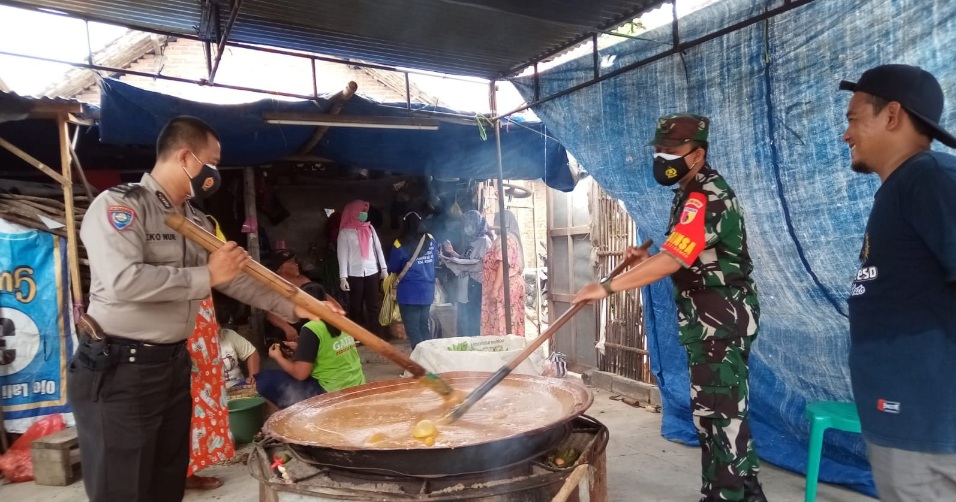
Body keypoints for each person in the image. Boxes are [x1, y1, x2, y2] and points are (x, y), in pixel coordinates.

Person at [69, 116, 331, 502]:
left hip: (172, 365)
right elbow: (124, 280)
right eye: (212, 161)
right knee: (124, 487)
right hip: (121, 368)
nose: (215, 172)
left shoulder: (196, 220)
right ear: (185, 157)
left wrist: (297, 305)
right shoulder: (122, 206)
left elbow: (233, 279)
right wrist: (206, 275)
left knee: (166, 481)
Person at [573, 114, 765, 502]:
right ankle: (745, 491)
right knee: (725, 410)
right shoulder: (688, 192)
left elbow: (674, 259)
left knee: (717, 414)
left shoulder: (705, 196)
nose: (663, 157)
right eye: (660, 150)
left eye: (672, 150)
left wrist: (606, 287)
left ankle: (725, 495)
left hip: (719, 319)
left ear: (698, 154)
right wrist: (646, 258)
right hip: (711, 318)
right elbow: (687, 254)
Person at [840, 64, 956, 502]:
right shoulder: (905, 186)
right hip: (909, 423)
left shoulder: (931, 178)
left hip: (929, 429)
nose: (846, 134)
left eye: (854, 119)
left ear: (891, 115)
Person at [256, 319, 366, 409]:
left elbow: (300, 374)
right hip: (357, 384)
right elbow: (329, 350)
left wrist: (278, 357)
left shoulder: (311, 328)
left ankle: (288, 418)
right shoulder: (339, 318)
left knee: (264, 380)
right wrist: (302, 348)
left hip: (331, 391)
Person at [387, 212, 440, 350]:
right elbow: (435, 259)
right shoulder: (430, 239)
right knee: (423, 326)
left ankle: (420, 359)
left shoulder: (399, 243)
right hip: (427, 291)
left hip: (409, 293)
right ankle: (430, 356)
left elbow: (393, 267)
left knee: (413, 329)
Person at [337, 199, 388, 336]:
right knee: (356, 306)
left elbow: (378, 249)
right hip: (354, 273)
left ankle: (376, 335)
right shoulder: (345, 233)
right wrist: (343, 277)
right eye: (361, 211)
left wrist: (384, 269)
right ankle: (357, 335)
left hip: (372, 271)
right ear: (353, 212)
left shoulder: (370, 228)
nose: (364, 214)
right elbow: (342, 256)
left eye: (365, 211)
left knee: (373, 305)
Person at [440, 210, 494, 336]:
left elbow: (482, 265)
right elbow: (465, 259)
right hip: (465, 285)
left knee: (473, 318)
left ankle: (473, 343)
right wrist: (452, 253)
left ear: (477, 224)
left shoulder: (484, 241)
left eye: (469, 224)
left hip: (475, 285)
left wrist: (458, 263)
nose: (466, 228)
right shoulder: (470, 241)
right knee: (464, 318)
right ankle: (464, 342)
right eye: (465, 225)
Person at [266, 249, 328, 344]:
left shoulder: (303, 280)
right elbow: (270, 315)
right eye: (291, 262)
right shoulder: (274, 285)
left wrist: (338, 312)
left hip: (307, 318)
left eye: (295, 261)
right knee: (279, 334)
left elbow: (322, 295)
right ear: (281, 268)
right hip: (289, 323)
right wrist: (287, 328)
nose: (296, 264)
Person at [480, 210, 526, 337]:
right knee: (509, 322)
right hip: (508, 286)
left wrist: (495, 289)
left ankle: (503, 348)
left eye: (496, 221)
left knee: (502, 323)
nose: (494, 224)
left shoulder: (505, 240)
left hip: (503, 288)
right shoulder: (509, 239)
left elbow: (503, 264)